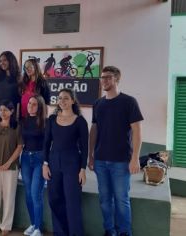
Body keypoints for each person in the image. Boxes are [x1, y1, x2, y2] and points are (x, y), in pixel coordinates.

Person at [88, 66, 143, 236]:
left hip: (121, 161)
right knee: (105, 200)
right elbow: (94, 130)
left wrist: (135, 158)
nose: (104, 80)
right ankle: (109, 231)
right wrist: (90, 155)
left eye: (108, 77)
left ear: (117, 79)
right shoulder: (97, 104)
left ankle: (124, 232)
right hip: (100, 161)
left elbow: (137, 131)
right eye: (102, 77)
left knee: (121, 200)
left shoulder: (129, 102)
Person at [43, 88, 88, 236]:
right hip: (53, 162)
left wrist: (82, 169)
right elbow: (46, 142)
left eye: (66, 98)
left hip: (72, 163)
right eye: (60, 98)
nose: (62, 101)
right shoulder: (51, 119)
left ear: (73, 101)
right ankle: (60, 232)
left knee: (72, 202)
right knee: (54, 199)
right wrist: (45, 164)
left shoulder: (80, 121)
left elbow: (84, 147)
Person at [0, 100, 23, 235]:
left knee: (8, 197)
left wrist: (8, 163)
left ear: (12, 111)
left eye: (6, 110)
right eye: (1, 110)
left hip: (10, 168)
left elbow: (19, 147)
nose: (3, 112)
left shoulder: (17, 127)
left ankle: (6, 225)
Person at [20, 95, 46, 236]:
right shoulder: (23, 121)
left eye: (34, 104)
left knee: (36, 193)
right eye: (30, 103)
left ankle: (38, 228)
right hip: (25, 158)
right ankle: (32, 224)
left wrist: (46, 163)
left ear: (40, 107)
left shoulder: (44, 122)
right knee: (28, 194)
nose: (30, 105)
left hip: (39, 158)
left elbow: (48, 145)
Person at [0, 51, 21, 119]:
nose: (2, 63)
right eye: (0, 61)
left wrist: (17, 116)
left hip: (12, 113)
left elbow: (19, 100)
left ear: (11, 61)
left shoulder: (18, 78)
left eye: (5, 60)